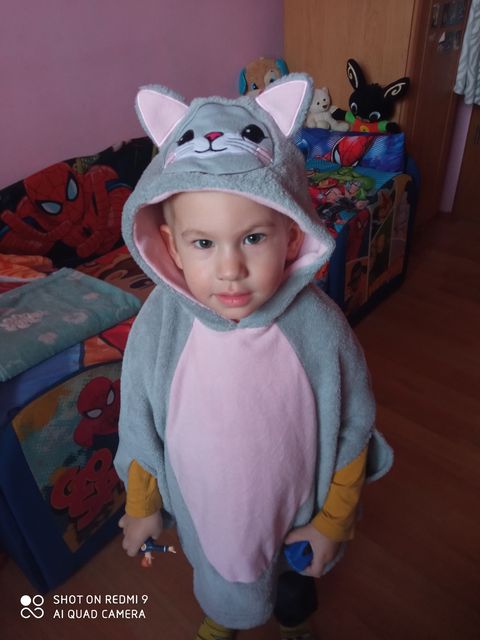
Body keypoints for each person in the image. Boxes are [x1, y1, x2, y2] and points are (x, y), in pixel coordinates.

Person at [114, 75, 393, 640]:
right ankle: (223, 616)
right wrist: (142, 505)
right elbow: (139, 428)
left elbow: (353, 428)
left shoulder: (319, 328)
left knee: (293, 590)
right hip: (207, 513)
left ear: (293, 235)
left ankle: (293, 625)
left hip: (297, 518)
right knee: (219, 577)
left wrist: (333, 522)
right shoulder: (160, 326)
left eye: (253, 238)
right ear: (170, 247)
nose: (230, 270)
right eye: (203, 243)